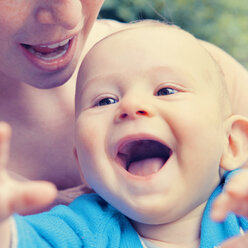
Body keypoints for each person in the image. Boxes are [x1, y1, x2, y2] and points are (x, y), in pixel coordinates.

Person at [1, 21, 248, 248]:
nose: (130, 106)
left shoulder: (241, 204)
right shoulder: (81, 229)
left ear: (231, 143)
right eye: (105, 100)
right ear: (83, 165)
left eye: (165, 91)